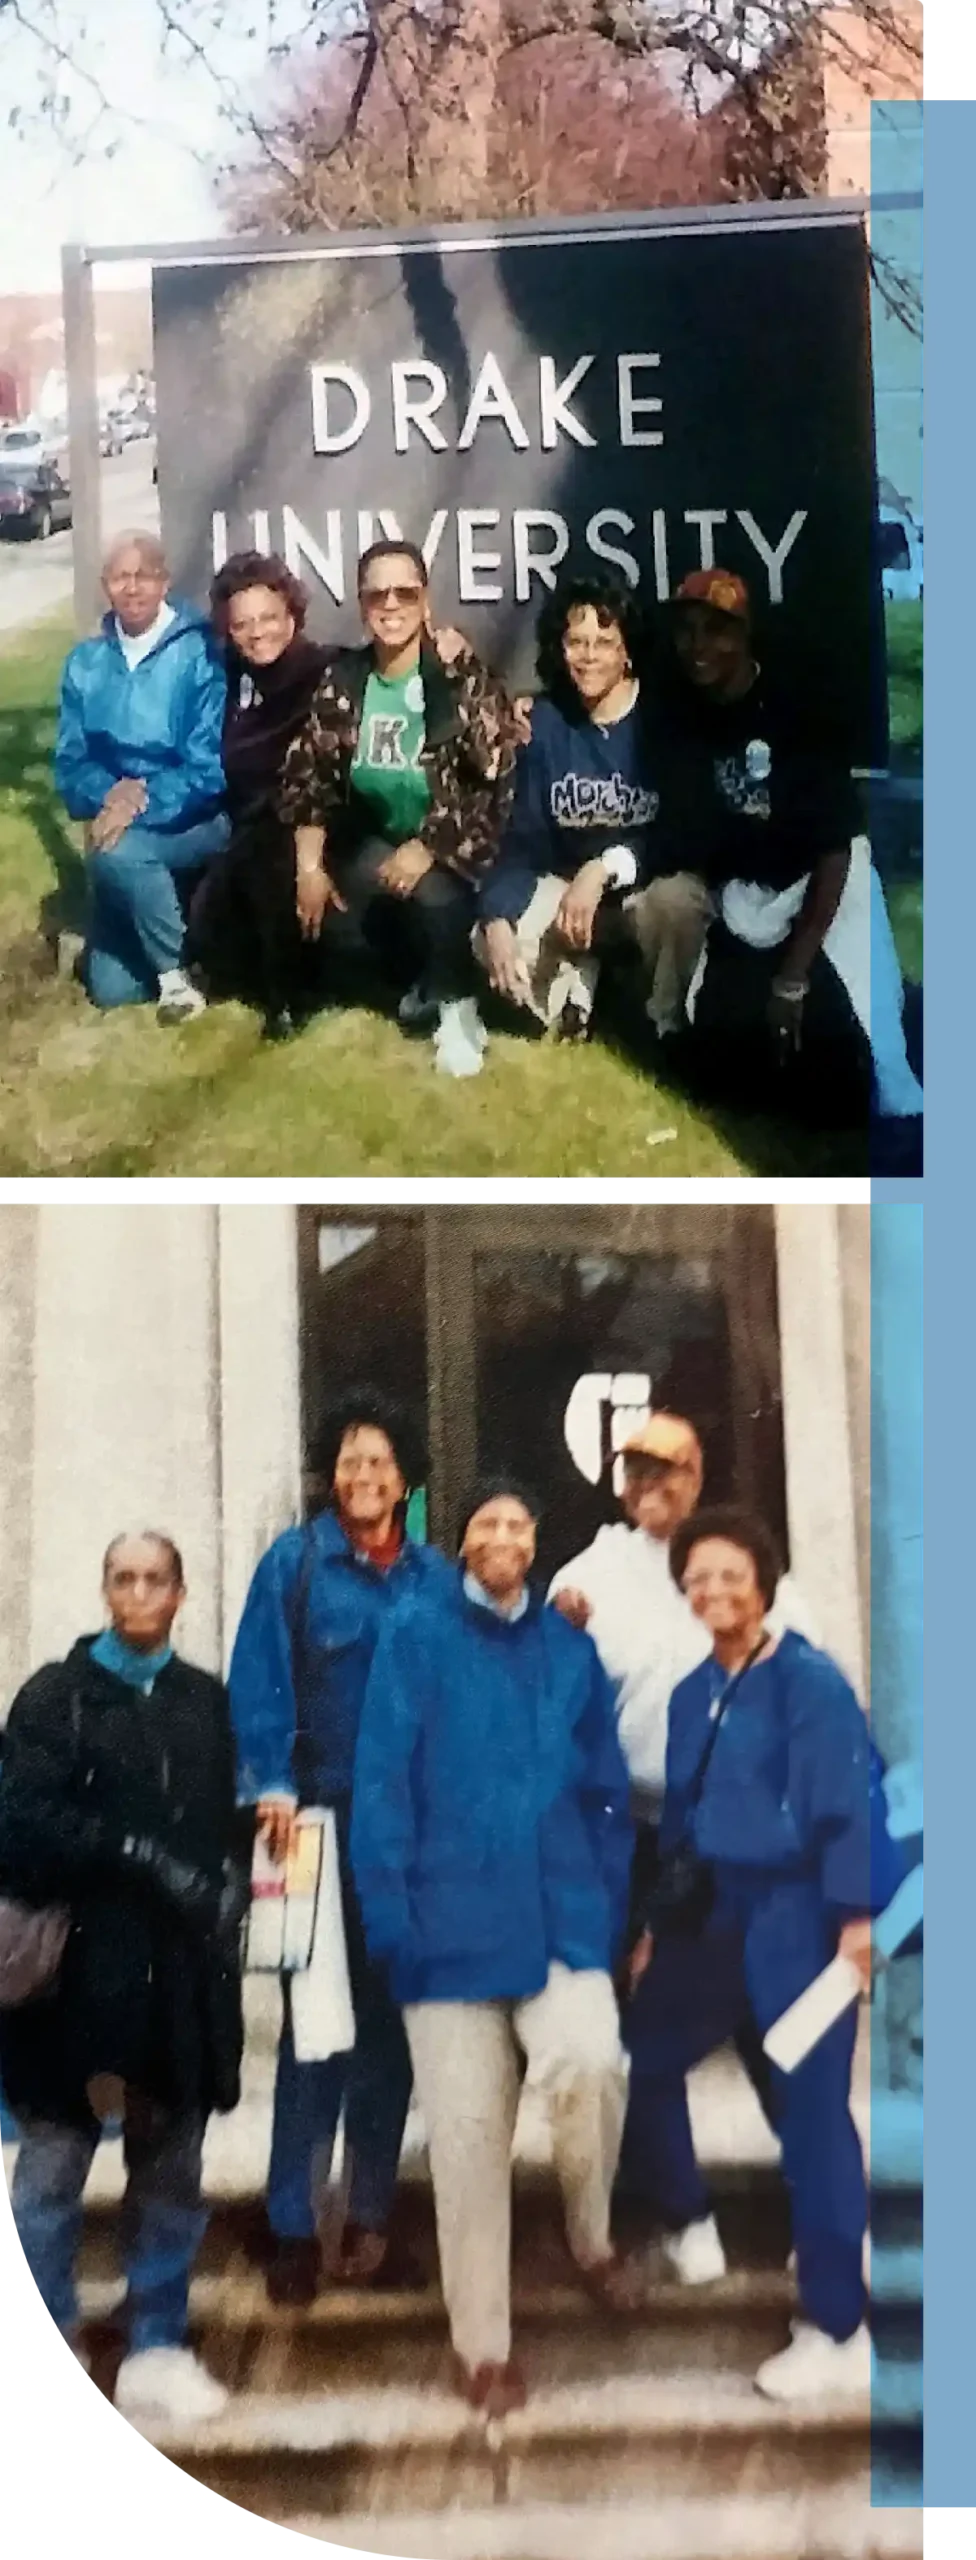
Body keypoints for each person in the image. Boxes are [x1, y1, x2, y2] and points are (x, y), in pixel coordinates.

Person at [351, 1477, 635, 2419]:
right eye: (487, 1524)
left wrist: (603, 1910)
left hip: (558, 1921)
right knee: (469, 2141)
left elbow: (607, 1793)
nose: (505, 1536)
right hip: (446, 1935)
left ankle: (590, 2237)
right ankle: (483, 2348)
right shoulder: (414, 1637)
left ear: (536, 1541)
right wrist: (392, 1922)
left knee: (591, 2062)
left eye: (519, 1523)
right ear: (462, 1542)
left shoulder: (569, 1648)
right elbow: (382, 1786)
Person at [617, 1506, 881, 2401]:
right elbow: (682, 1827)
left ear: (764, 1585)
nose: (714, 1591)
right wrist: (656, 1928)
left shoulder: (809, 1682)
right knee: (643, 2058)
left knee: (812, 2115)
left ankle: (838, 2327)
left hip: (798, 1916)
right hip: (713, 1916)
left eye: (731, 1575)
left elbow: (847, 1805)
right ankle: (689, 2221)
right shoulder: (692, 1691)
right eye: (697, 1578)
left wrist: (856, 1922)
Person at [549, 1409, 820, 2280]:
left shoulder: (747, 1571)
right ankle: (682, 2214)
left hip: (743, 1843)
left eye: (667, 1468)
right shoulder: (586, 1578)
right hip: (630, 1834)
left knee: (773, 2026)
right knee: (639, 2030)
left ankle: (819, 2207)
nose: (649, 1484)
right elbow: (551, 1705)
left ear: (698, 1477)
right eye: (635, 1469)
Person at [0, 1533, 245, 2425]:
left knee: (170, 2171)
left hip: (175, 1980)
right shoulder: (54, 1697)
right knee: (55, 2168)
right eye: (123, 1579)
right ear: (105, 1590)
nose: (138, 1593)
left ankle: (157, 2344)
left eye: (154, 1580)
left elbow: (222, 1824)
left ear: (180, 1594)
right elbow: (21, 1827)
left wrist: (234, 1873)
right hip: (75, 1980)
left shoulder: (204, 1701)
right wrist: (133, 1852)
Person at [227, 1388, 451, 2305]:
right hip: (314, 1826)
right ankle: (291, 2225)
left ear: (405, 1480)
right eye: (350, 1460)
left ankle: (368, 2220)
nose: (364, 1475)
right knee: (315, 2030)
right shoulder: (295, 1564)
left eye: (380, 1461)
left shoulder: (436, 1579)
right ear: (332, 1474)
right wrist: (270, 1784)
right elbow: (258, 1682)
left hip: (408, 1839)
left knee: (390, 2031)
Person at [636, 568, 923, 1133]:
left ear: (745, 635)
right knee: (718, 1057)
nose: (698, 646)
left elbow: (835, 848)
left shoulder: (797, 710)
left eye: (716, 630)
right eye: (687, 631)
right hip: (746, 897)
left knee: (863, 1061)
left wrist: (793, 975)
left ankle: (878, 1075)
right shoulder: (682, 712)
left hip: (824, 884)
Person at [277, 542, 520, 1076]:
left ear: (425, 601)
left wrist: (429, 845)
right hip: (381, 840)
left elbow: (492, 777)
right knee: (326, 910)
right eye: (377, 594)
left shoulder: (455, 671)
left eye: (405, 593)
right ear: (361, 604)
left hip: (461, 847)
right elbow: (309, 777)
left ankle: (457, 1008)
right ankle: (411, 979)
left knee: (436, 897)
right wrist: (309, 868)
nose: (391, 604)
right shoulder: (345, 680)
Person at [476, 574, 671, 1042]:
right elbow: (521, 840)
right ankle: (575, 991)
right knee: (489, 936)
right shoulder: (545, 723)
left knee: (679, 904)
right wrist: (496, 918)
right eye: (576, 642)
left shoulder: (662, 721)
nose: (588, 656)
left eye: (604, 643)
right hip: (567, 902)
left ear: (628, 652)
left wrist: (603, 868)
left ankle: (664, 1020)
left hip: (642, 895)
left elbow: (678, 836)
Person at [54, 531, 229, 1020]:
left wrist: (140, 800)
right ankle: (177, 935)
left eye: (144, 576)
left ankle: (176, 983)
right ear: (105, 585)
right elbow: (70, 763)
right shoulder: (85, 663)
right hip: (116, 817)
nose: (132, 588)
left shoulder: (201, 654)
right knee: (112, 989)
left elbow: (207, 769)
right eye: (119, 577)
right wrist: (113, 793)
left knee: (118, 850)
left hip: (195, 818)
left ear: (164, 582)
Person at [184, 552, 330, 1040]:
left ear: (292, 616)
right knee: (209, 927)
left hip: (309, 816)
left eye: (268, 618)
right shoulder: (227, 673)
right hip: (243, 819)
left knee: (271, 869)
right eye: (242, 624)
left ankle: (288, 998)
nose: (257, 632)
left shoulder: (322, 669)